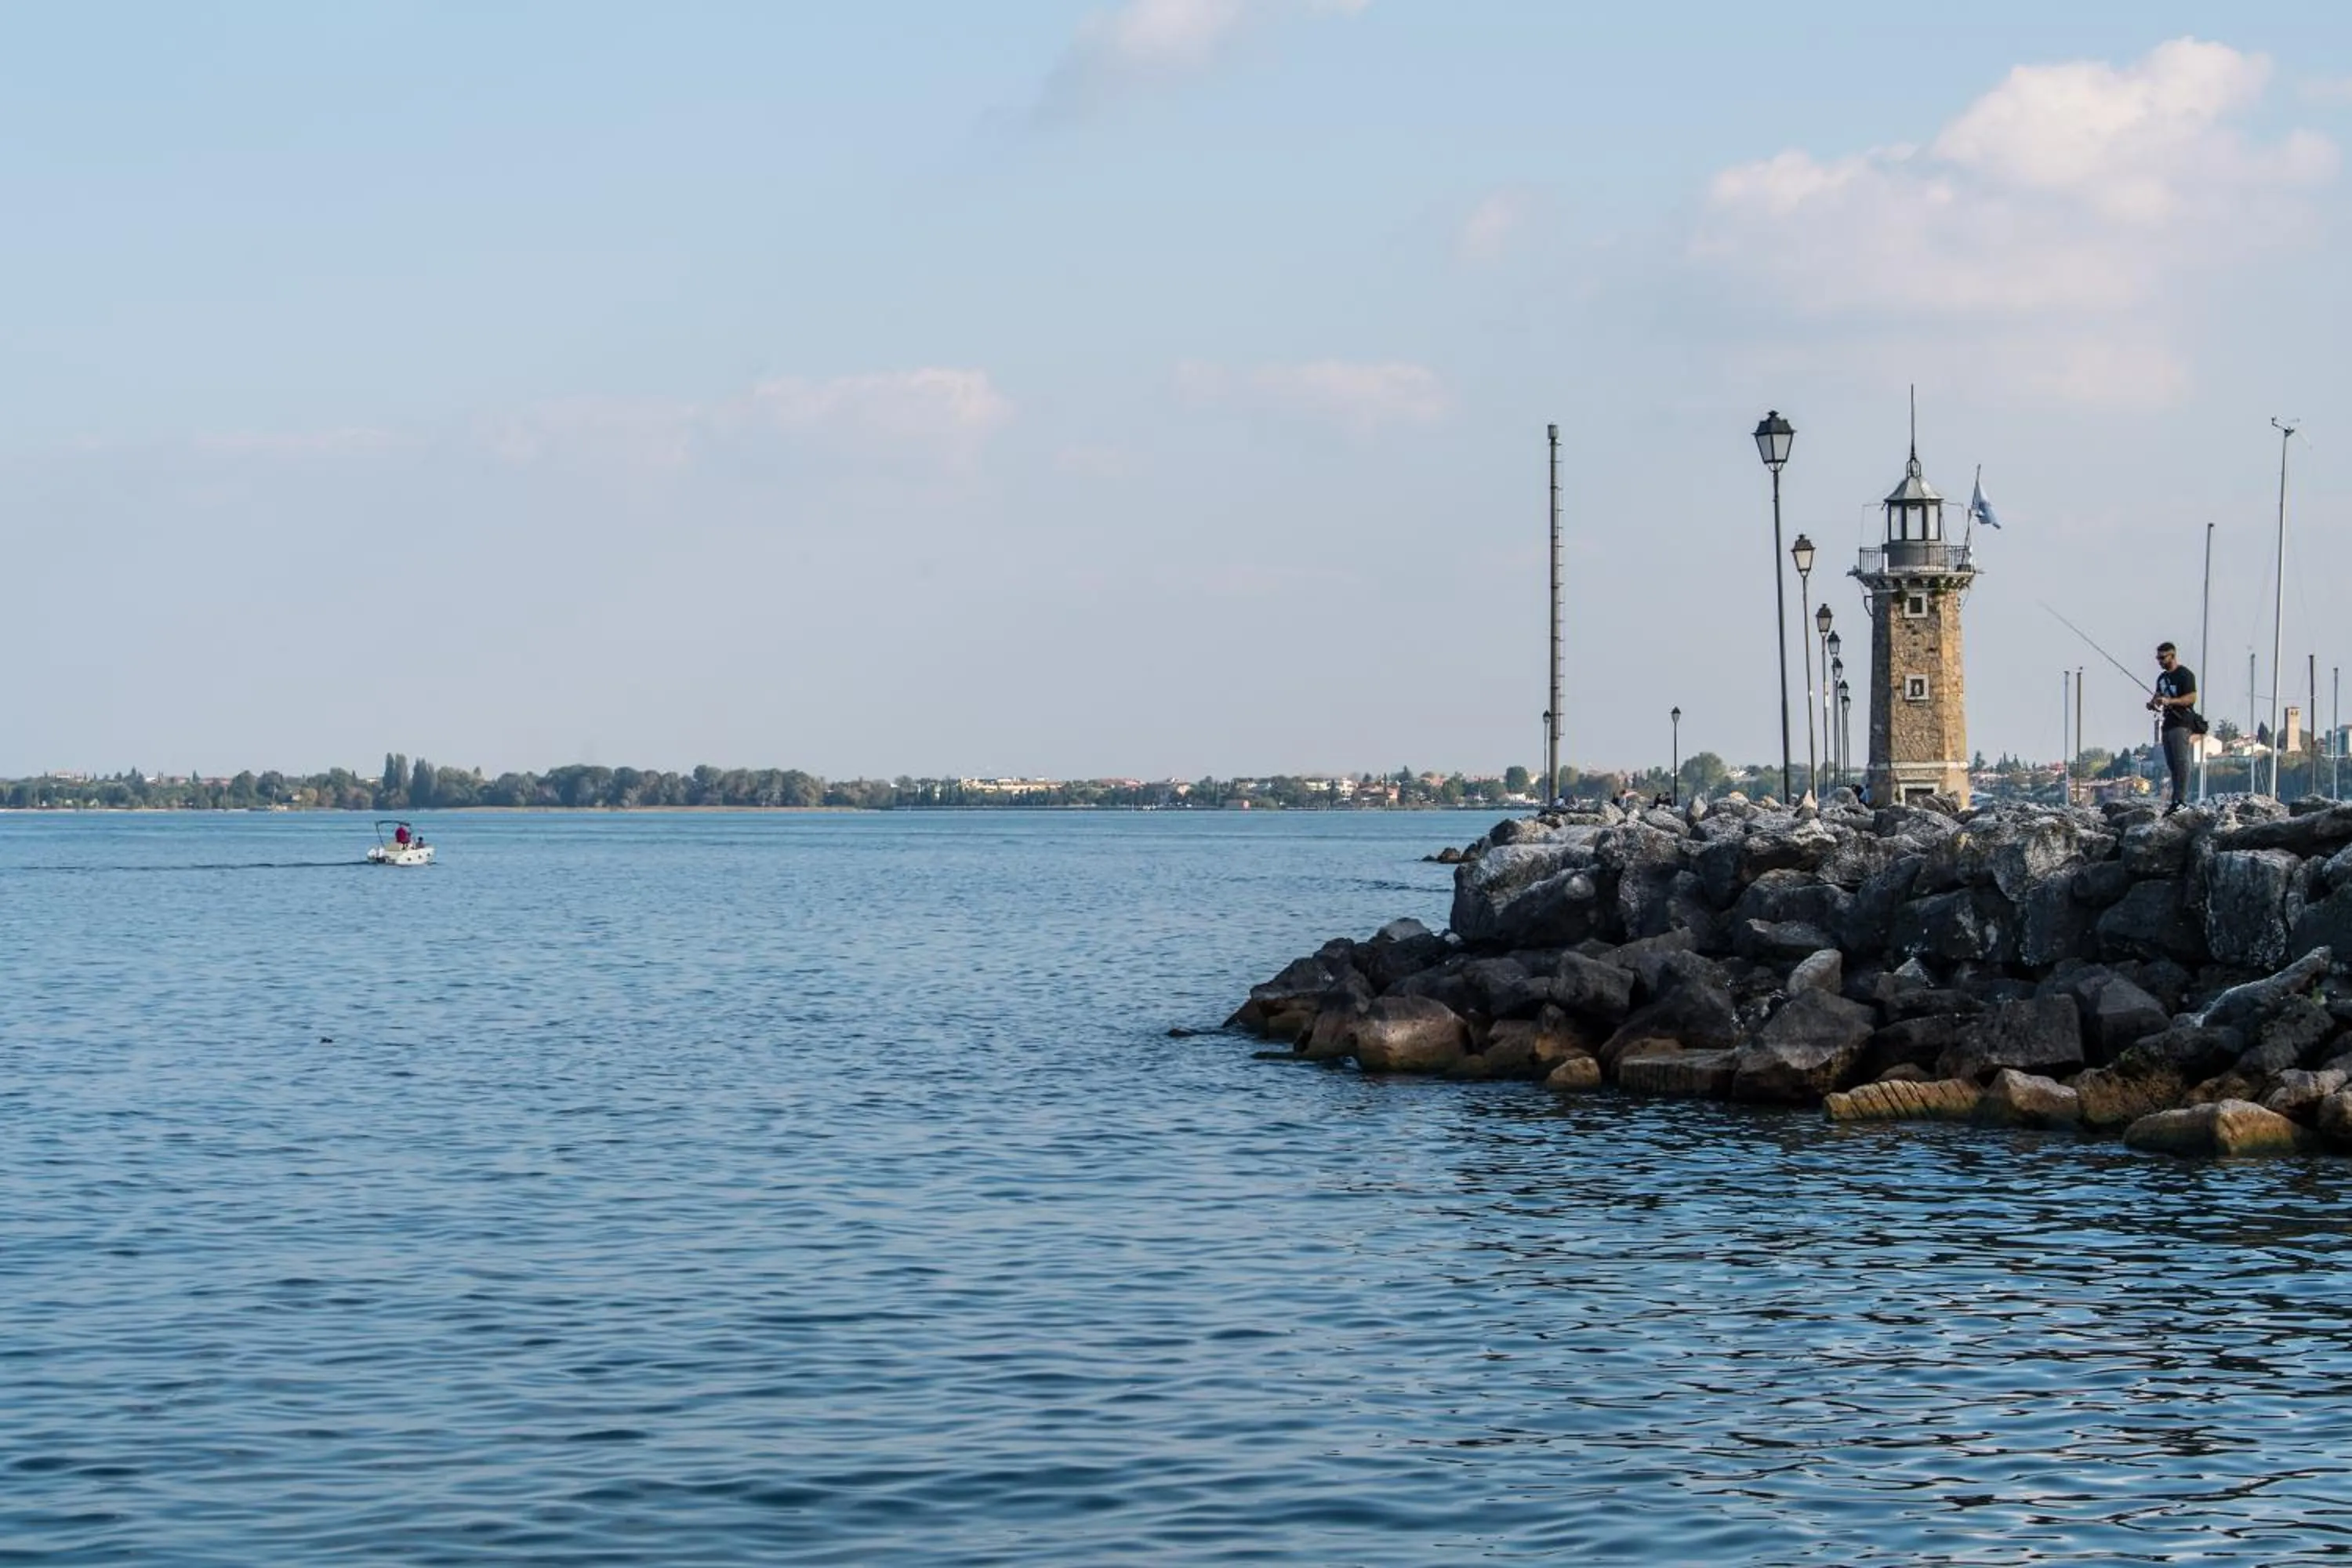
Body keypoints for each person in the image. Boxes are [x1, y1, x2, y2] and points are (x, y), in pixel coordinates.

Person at [2148, 642, 2198, 812]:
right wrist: (2153, 704)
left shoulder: (2185, 675)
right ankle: (2175, 801)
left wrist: (2170, 701)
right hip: (2167, 725)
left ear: (2173, 656)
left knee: (2182, 762)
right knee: (2172, 764)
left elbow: (2191, 698)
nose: (2160, 661)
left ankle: (2181, 800)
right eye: (2158, 658)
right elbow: (2158, 696)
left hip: (2182, 723)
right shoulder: (2161, 679)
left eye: (2163, 658)